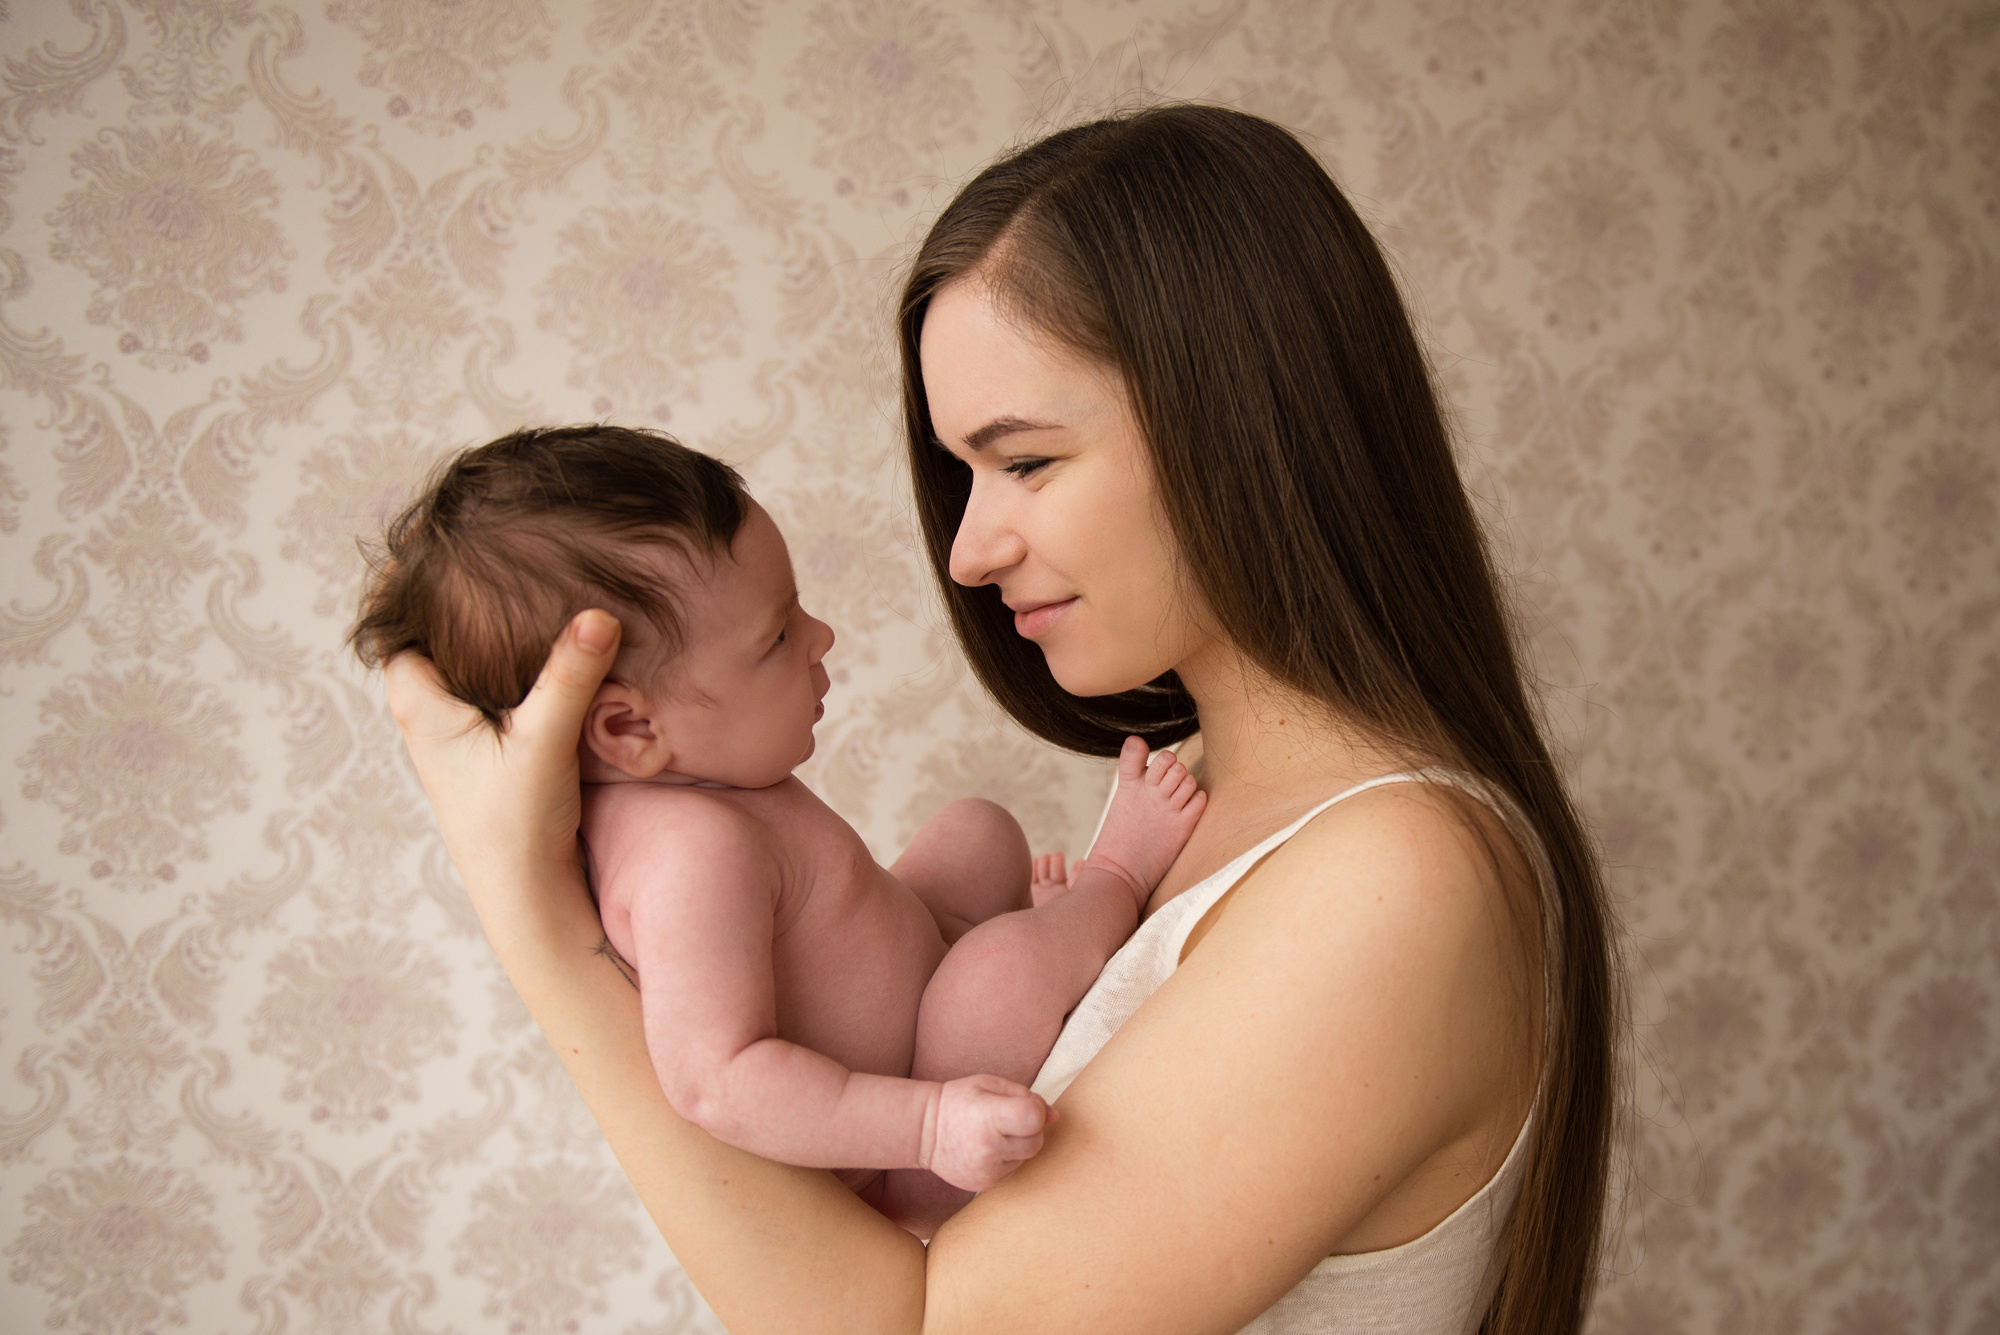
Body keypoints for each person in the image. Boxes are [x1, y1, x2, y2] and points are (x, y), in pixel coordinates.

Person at [384, 103, 1618, 1334]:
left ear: (1239, 427)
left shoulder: (1392, 881)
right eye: (961, 472)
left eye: (1025, 461)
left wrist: (537, 923)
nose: (968, 551)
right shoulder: (1203, 803)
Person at [349, 425, 1207, 1236]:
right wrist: (929, 1126)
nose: (820, 637)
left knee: (973, 830)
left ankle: (1038, 936)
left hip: (917, 994)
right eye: (776, 636)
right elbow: (717, 1080)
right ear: (629, 730)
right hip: (902, 1138)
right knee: (996, 976)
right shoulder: (685, 853)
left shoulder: (698, 789)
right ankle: (1113, 883)